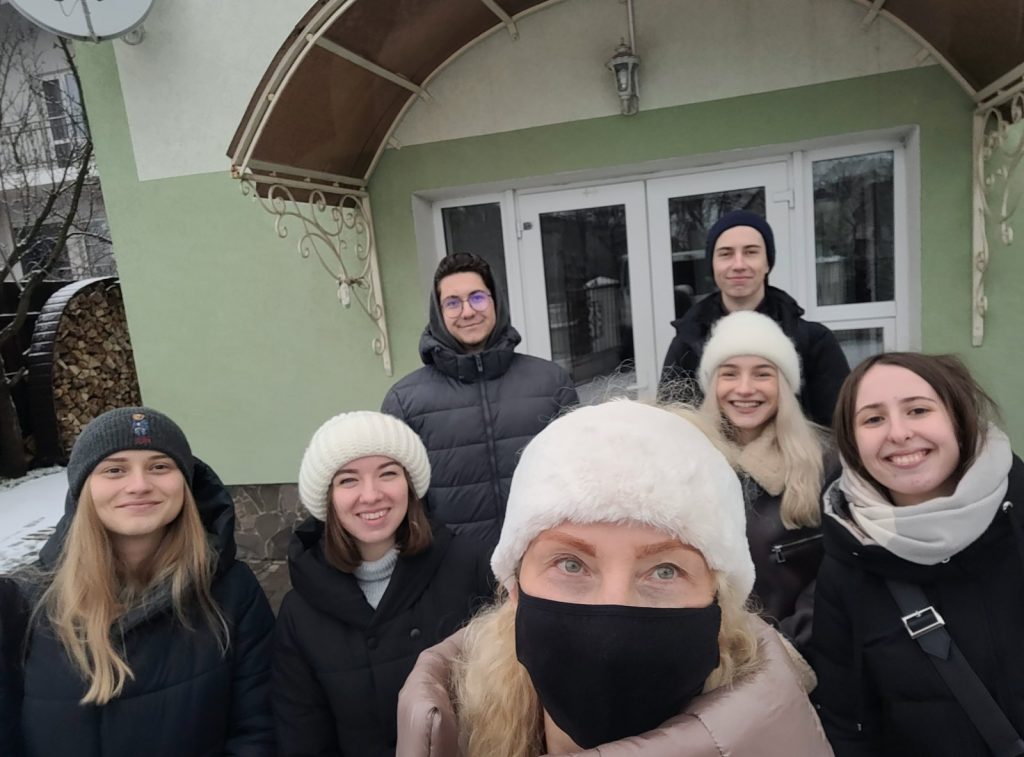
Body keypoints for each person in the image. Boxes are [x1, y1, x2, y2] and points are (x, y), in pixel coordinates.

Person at [396, 400, 834, 757]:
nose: (613, 614)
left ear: (719, 603)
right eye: (570, 564)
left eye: (665, 571)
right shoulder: (452, 739)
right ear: (514, 589)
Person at [0, 407, 275, 757]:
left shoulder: (231, 591)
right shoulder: (20, 602)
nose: (140, 485)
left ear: (185, 482)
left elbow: (258, 730)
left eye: (160, 467)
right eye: (114, 470)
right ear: (83, 488)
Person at [811, 353, 1024, 756]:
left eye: (918, 410)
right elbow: (848, 723)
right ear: (852, 444)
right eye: (873, 419)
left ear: (958, 418)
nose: (899, 433)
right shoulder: (845, 566)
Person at [273, 411, 494, 757]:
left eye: (388, 473)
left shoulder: (471, 566)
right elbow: (303, 737)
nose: (371, 495)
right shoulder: (299, 613)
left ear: (409, 483)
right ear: (328, 497)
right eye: (348, 480)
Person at [382, 252, 579, 546]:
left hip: (540, 554)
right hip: (452, 562)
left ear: (495, 302)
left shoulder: (552, 383)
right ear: (438, 313)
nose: (468, 312)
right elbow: (400, 500)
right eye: (452, 303)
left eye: (477, 298)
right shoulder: (404, 401)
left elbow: (579, 476)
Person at [697, 310, 829, 650]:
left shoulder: (826, 463)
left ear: (783, 384)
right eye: (729, 373)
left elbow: (834, 575)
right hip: (705, 652)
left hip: (795, 652)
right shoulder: (687, 458)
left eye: (762, 374)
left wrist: (782, 647)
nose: (745, 388)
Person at [660, 210, 849, 426]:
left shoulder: (814, 341)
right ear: (712, 264)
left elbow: (838, 428)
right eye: (726, 254)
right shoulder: (687, 342)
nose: (738, 264)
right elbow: (669, 426)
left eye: (751, 252)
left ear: (767, 263)